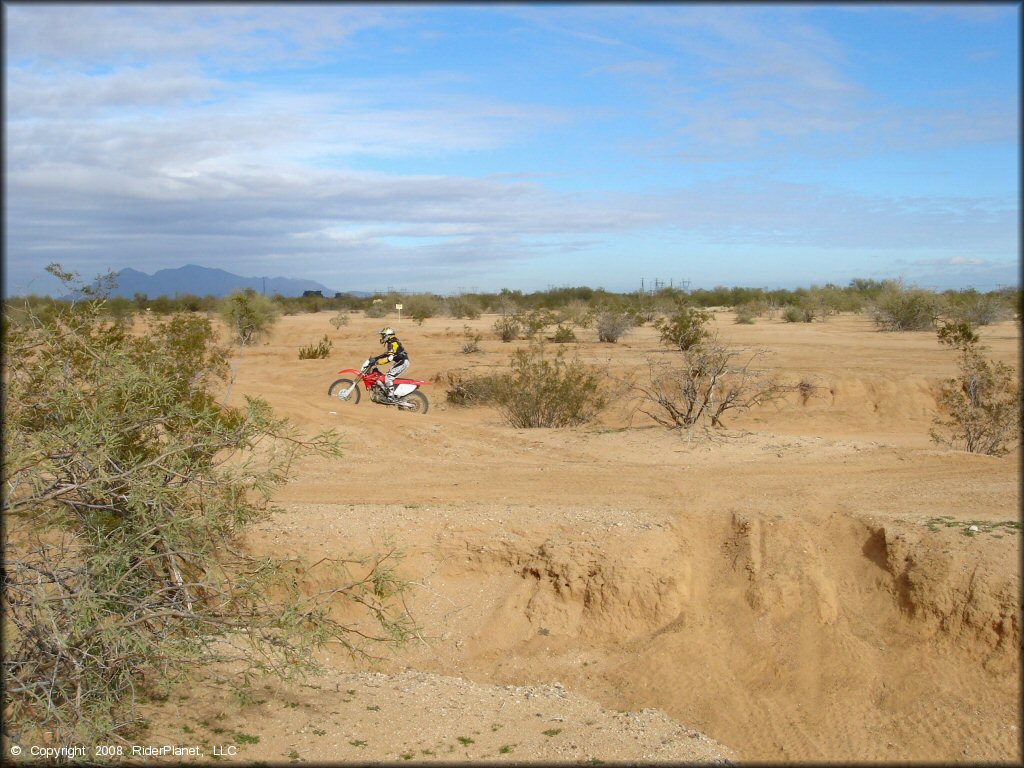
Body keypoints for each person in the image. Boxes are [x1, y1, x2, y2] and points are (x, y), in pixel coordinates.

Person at [366, 327, 410, 401]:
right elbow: (388, 354)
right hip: (401, 361)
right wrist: (376, 358)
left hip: (403, 362)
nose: (382, 337)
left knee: (389, 377)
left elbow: (389, 358)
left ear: (388, 335)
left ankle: (391, 397)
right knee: (388, 376)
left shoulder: (392, 342)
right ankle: (388, 393)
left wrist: (377, 362)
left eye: (383, 335)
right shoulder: (392, 341)